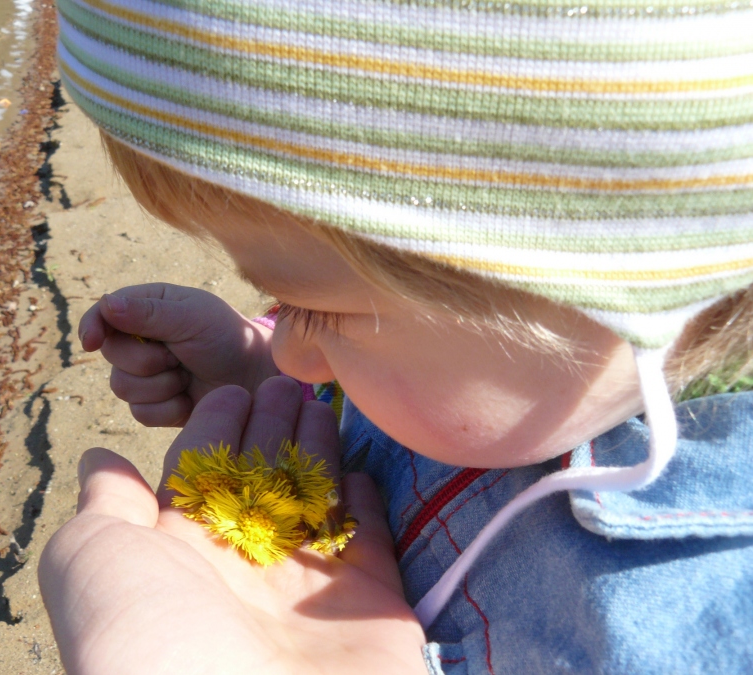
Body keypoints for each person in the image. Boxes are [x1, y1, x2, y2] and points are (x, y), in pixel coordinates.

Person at [39, 0, 753, 672]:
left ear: (614, 281)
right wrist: (262, 378)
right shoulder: (551, 376)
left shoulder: (685, 628)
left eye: (316, 310)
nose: (293, 346)